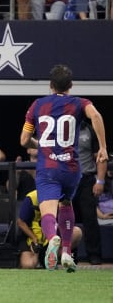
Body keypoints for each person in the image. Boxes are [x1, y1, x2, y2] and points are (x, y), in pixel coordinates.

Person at [20, 64, 108, 271]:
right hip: (72, 169)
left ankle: (52, 239)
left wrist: (37, 144)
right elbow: (96, 116)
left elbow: (24, 140)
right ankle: (67, 252)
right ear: (71, 85)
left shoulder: (37, 105)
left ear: (50, 85)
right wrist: (103, 147)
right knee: (66, 204)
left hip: (49, 169)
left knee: (48, 212)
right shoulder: (80, 103)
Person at [72, 120, 108, 265]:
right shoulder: (62, 128)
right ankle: (69, 254)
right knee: (66, 219)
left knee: (90, 218)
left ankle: (94, 255)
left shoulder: (90, 130)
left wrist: (100, 181)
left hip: (86, 180)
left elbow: (100, 156)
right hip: (67, 180)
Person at [18, 190, 83, 270]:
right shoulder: (31, 198)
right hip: (33, 238)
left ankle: (57, 257)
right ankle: (40, 259)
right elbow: (20, 222)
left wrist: (61, 227)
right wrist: (34, 239)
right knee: (28, 265)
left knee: (77, 232)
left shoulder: (62, 197)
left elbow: (67, 221)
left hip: (54, 238)